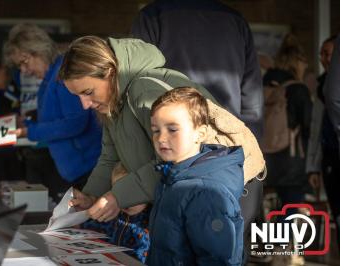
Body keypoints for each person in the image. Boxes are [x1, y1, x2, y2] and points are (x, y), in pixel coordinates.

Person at [59, 36, 265, 231]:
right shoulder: (112, 104)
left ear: (111, 73)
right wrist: (90, 196)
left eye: (88, 92)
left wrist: (118, 196)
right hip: (193, 190)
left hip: (228, 185)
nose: (85, 105)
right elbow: (109, 158)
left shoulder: (145, 90)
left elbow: (176, 157)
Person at [131, 0, 264, 250]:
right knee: (225, 243)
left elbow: (139, 90)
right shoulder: (236, 20)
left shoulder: (152, 16)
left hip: (174, 153)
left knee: (172, 244)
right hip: (226, 151)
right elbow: (252, 100)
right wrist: (248, 159)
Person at [146, 87, 244, 265]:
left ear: (200, 134)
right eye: (156, 130)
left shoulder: (205, 191)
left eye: (172, 129)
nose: (161, 138)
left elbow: (217, 259)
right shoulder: (172, 176)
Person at [3, 24, 102, 199]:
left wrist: (29, 131)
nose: (24, 71)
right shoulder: (50, 78)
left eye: (24, 62)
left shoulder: (63, 74)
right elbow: (53, 117)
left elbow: (75, 122)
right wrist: (26, 122)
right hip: (77, 170)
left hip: (88, 170)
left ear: (38, 50)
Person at [263, 34, 312, 214]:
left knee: (265, 212)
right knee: (290, 210)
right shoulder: (298, 89)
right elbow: (309, 125)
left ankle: (269, 240)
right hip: (291, 161)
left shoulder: (263, 86)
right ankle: (283, 242)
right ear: (297, 62)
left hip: (264, 157)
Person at [79, 162, 150, 263]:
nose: (126, 199)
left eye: (134, 193)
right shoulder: (111, 215)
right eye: (119, 193)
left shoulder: (153, 221)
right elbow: (86, 229)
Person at [322, 34, 340, 246]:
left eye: (329, 54)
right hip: (329, 156)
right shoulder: (321, 84)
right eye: (322, 54)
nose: (324, 58)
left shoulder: (328, 88)